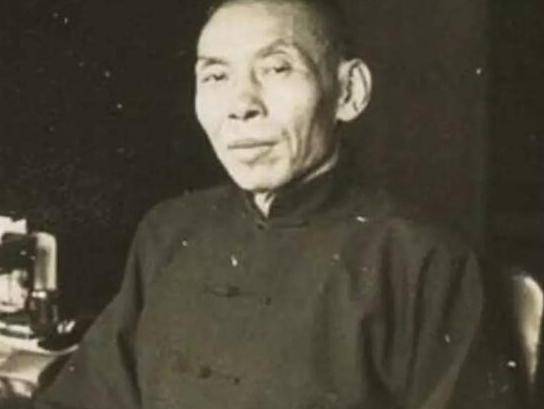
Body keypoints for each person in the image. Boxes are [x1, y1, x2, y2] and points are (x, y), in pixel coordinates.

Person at [33, 0, 484, 408]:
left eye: (276, 68)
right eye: (216, 76)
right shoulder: (169, 231)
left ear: (349, 92)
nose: (241, 106)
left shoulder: (419, 259)